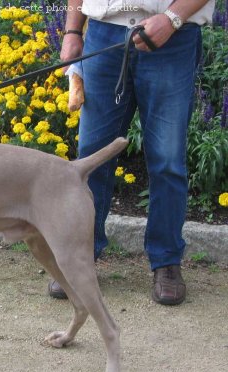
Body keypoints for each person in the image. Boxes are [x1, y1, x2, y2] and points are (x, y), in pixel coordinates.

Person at [49, 0, 216, 306]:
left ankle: (166, 260)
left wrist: (172, 19)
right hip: (104, 33)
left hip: (173, 38)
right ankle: (81, 257)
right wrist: (73, 29)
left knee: (167, 159)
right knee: (90, 157)